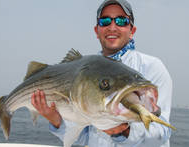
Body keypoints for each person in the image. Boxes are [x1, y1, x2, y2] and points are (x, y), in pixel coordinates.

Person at [31, 0, 173, 146]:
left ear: (132, 31)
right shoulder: (87, 73)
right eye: (105, 21)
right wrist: (56, 121)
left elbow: (161, 133)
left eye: (121, 20)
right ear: (97, 31)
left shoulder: (152, 67)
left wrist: (122, 131)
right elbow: (85, 138)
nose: (112, 27)